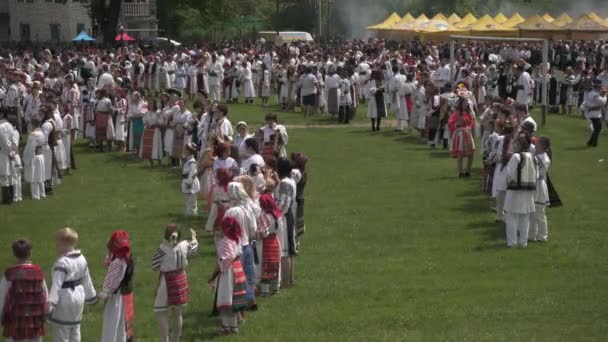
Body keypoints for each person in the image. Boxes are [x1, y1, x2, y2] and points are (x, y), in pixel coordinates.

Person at [48, 228, 97, 342]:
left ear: (63, 244)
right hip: (79, 298)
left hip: (65, 299)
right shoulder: (82, 259)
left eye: (57, 243)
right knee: (75, 328)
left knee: (62, 331)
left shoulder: (62, 263)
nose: (56, 246)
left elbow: (56, 285)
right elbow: (87, 280)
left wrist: (50, 304)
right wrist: (91, 297)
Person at [152, 225, 199, 342]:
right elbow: (194, 247)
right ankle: (175, 340)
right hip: (181, 279)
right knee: (177, 313)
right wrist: (194, 237)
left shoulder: (162, 249)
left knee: (161, 312)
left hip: (166, 282)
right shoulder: (184, 245)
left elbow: (154, 265)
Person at [0, 239, 48, 342]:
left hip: (14, 318)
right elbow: (45, 294)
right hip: (35, 318)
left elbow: (2, 296)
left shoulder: (9, 274)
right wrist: (46, 311)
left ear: (14, 253)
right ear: (30, 252)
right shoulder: (38, 272)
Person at [209, 216, 248, 335]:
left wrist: (216, 274)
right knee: (234, 299)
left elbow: (226, 260)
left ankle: (226, 326)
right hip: (238, 270)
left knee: (226, 299)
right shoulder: (237, 239)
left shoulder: (225, 242)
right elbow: (237, 254)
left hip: (228, 273)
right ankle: (234, 325)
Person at [224, 182, 258, 310]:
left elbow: (225, 229)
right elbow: (253, 227)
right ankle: (251, 301)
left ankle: (239, 304)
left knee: (237, 278)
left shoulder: (231, 211)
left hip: (235, 248)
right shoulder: (247, 208)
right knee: (249, 275)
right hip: (247, 245)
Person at [99, 230, 135, 342]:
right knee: (122, 327)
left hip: (116, 297)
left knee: (111, 327)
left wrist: (105, 292)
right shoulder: (127, 258)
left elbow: (114, 279)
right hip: (126, 296)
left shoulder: (119, 262)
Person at [504, 133, 538, 248]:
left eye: (516, 142)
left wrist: (507, 183)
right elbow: (536, 175)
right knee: (525, 217)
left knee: (511, 216)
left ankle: (512, 242)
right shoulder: (533, 157)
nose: (514, 144)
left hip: (515, 190)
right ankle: (523, 242)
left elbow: (508, 174)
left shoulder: (516, 157)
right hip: (529, 191)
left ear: (519, 144)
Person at [257, 194, 285, 296]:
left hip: (266, 243)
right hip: (275, 241)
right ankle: (276, 287)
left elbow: (262, 233)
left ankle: (265, 290)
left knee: (265, 265)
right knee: (275, 265)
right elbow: (280, 229)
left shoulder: (263, 216)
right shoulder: (277, 214)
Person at [275, 158, 297, 287]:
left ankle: (286, 280)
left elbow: (284, 202)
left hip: (284, 217)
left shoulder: (284, 183)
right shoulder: (290, 181)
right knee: (289, 250)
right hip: (288, 215)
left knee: (285, 251)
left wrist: (275, 214)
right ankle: (290, 278)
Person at [529, 136, 551, 242]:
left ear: (543, 146)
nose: (535, 145)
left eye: (537, 143)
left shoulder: (543, 158)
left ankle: (543, 236)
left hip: (539, 187)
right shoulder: (537, 155)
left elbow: (538, 173)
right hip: (533, 185)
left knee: (540, 213)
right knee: (532, 213)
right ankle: (532, 235)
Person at [448, 96, 476, 177]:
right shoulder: (457, 113)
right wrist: (456, 127)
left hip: (467, 133)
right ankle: (461, 171)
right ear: (461, 103)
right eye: (464, 102)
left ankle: (468, 170)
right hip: (460, 134)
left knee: (471, 152)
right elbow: (450, 122)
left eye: (466, 102)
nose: (466, 104)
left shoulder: (468, 113)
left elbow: (471, 122)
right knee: (460, 153)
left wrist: (469, 127)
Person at [22, 119, 47, 200]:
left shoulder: (32, 135)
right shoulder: (42, 134)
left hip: (34, 156)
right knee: (40, 175)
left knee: (34, 177)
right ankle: (42, 193)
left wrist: (26, 157)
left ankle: (35, 195)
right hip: (41, 156)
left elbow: (29, 148)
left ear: (32, 124)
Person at [580, 79, 606, 147]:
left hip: (595, 113)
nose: (601, 87)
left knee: (597, 129)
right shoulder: (594, 94)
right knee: (598, 128)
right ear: (597, 86)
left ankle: (590, 142)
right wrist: (605, 95)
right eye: (600, 86)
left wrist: (602, 94)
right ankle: (594, 143)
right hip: (594, 114)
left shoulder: (594, 92)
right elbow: (602, 102)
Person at [290, 152, 308, 249]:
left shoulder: (297, 174)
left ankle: (295, 242)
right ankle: (297, 242)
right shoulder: (303, 172)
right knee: (298, 220)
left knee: (294, 220)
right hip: (300, 199)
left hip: (296, 199)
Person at [140, 100, 163, 166]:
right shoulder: (147, 113)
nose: (151, 105)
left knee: (156, 146)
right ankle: (151, 163)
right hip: (148, 131)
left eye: (152, 103)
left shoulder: (158, 112)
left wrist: (155, 123)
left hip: (155, 131)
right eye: (150, 103)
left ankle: (159, 162)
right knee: (148, 147)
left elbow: (161, 122)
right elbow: (144, 121)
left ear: (154, 104)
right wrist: (146, 124)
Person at [182, 143, 200, 216]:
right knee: (187, 200)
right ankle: (189, 213)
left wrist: (189, 183)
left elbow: (192, 174)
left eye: (185, 150)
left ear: (188, 151)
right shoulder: (188, 161)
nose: (184, 151)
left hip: (191, 184)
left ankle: (192, 214)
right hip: (186, 181)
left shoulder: (192, 162)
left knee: (191, 201)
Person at [0, 111, 14, 204]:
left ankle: (7, 199)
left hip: (3, 152)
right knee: (9, 175)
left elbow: (4, 141)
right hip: (9, 151)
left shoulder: (1, 127)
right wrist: (11, 152)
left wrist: (8, 152)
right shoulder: (10, 125)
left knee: (4, 175)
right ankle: (10, 197)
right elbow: (11, 140)